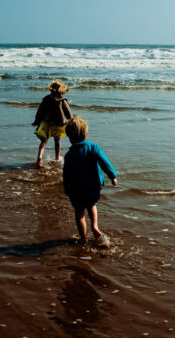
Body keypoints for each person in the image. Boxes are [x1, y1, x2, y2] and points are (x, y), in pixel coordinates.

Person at [63, 116, 118, 245]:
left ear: (68, 136)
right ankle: (95, 227)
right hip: (93, 188)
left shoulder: (69, 154)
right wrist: (112, 176)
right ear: (85, 133)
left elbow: (66, 174)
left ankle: (83, 238)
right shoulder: (94, 147)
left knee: (79, 212)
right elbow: (105, 162)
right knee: (92, 205)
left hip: (76, 190)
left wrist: (66, 188)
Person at [32, 80, 72, 168]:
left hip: (46, 122)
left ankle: (39, 157)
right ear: (62, 90)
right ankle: (57, 157)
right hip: (58, 123)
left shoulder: (46, 99)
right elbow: (68, 112)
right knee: (57, 140)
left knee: (44, 140)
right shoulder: (62, 100)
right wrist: (70, 121)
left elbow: (40, 111)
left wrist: (36, 121)